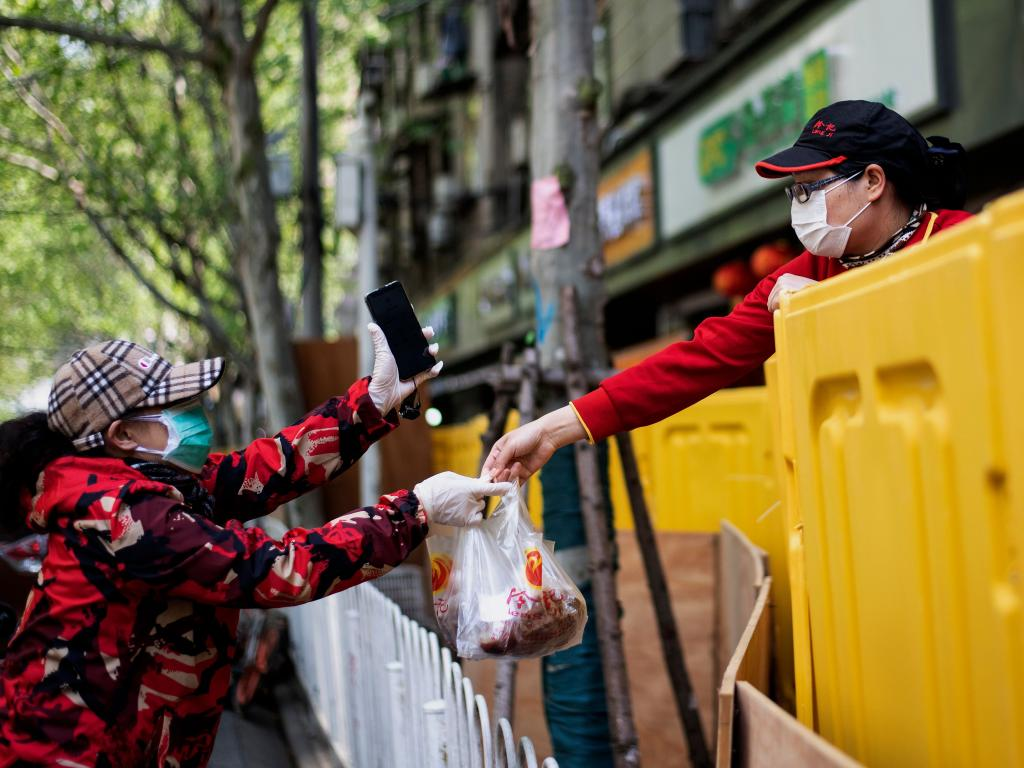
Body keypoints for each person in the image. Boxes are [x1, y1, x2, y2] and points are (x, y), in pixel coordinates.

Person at [0, 326, 510, 767]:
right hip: (71, 752)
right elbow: (271, 570)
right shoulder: (117, 511)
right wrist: (415, 511)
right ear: (123, 434)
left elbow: (265, 469)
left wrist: (372, 404)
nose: (193, 415)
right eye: (173, 407)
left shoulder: (153, 479)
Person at [484, 100, 972, 480]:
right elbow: (700, 360)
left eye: (809, 188)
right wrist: (553, 428)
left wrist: (826, 311)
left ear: (872, 181)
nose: (798, 205)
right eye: (793, 192)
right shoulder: (813, 267)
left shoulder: (962, 241)